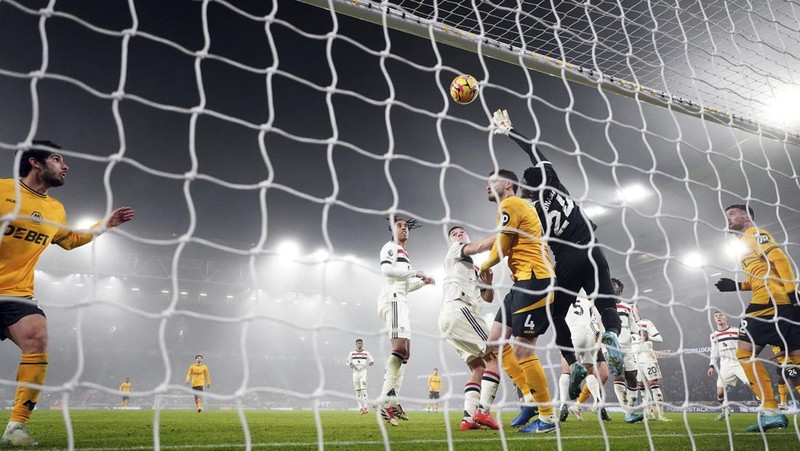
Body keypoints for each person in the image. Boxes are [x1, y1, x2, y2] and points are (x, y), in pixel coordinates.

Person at [0, 141, 135, 447]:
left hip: (17, 294)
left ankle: (16, 426)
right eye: (58, 159)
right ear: (35, 162)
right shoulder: (2, 190)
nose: (65, 165)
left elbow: (70, 239)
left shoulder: (54, 208)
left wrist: (105, 225)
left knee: (37, 335)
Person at [491, 109, 624, 397]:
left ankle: (573, 362)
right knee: (605, 305)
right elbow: (534, 150)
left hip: (567, 258)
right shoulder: (554, 181)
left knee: (555, 313)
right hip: (593, 250)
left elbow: (523, 241)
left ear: (526, 190)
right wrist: (510, 131)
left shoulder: (531, 210)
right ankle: (612, 335)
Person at [478, 169, 557, 434]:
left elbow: (502, 246)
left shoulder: (512, 203)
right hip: (521, 282)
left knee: (523, 349)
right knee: (494, 345)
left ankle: (547, 417)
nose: (488, 186)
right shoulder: (517, 206)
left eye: (493, 181)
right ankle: (530, 397)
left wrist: (483, 266)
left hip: (535, 281)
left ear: (508, 184)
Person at [714, 204, 799, 432]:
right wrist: (737, 286)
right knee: (795, 360)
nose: (728, 219)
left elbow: (780, 260)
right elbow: (761, 276)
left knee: (744, 352)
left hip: (767, 303)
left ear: (746, 216)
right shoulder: (745, 245)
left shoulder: (755, 233)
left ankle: (771, 411)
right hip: (778, 302)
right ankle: (771, 411)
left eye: (732, 214)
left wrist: (792, 295)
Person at [439, 226, 502, 430]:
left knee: (478, 368)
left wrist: (489, 284)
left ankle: (468, 419)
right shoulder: (456, 250)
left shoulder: (472, 269)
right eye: (454, 234)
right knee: (494, 354)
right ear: (452, 241)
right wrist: (506, 235)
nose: (458, 235)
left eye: (461, 233)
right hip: (460, 309)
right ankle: (483, 413)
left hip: (448, 317)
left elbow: (488, 298)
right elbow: (478, 247)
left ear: (466, 235)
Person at [377, 216, 435, 426]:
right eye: (399, 226)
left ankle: (393, 400)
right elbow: (386, 270)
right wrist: (415, 272)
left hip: (400, 299)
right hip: (392, 300)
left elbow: (405, 285)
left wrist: (422, 282)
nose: (404, 229)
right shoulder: (390, 247)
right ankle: (385, 402)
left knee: (406, 353)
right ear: (392, 230)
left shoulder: (404, 253)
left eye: (406, 226)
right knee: (399, 348)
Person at [558, 294, 610, 422]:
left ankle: (563, 404)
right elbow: (597, 321)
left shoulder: (563, 295)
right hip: (590, 336)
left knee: (566, 370)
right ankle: (598, 401)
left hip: (573, 334)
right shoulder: (588, 301)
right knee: (590, 372)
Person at [707, 310, 753, 420]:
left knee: (752, 385)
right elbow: (714, 351)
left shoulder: (736, 331)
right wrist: (711, 365)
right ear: (714, 320)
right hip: (725, 366)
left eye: (721, 315)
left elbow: (745, 344)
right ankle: (725, 410)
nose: (719, 317)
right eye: (716, 316)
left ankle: (766, 408)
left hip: (739, 364)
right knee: (720, 393)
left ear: (725, 317)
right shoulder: (713, 335)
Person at [610, 278, 644, 424]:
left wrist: (640, 332)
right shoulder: (602, 306)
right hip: (611, 346)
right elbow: (594, 323)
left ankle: (630, 409)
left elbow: (632, 325)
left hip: (627, 346)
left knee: (632, 376)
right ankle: (627, 412)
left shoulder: (627, 307)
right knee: (618, 375)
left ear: (620, 290)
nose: (611, 288)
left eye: (614, 286)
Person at [636, 317, 670, 422]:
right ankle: (649, 414)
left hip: (647, 358)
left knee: (653, 384)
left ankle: (661, 414)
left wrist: (648, 337)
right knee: (641, 387)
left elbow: (659, 339)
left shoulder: (646, 323)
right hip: (635, 359)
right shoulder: (625, 324)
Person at [346, 338, 374, 414]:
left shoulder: (366, 353)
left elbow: (372, 359)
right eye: (358, 343)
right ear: (356, 344)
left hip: (363, 372)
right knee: (357, 391)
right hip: (355, 373)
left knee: (364, 390)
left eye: (361, 343)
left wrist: (371, 363)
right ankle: (360, 408)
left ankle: (365, 407)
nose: (359, 345)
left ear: (363, 344)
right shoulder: (352, 353)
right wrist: (350, 364)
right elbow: (347, 361)